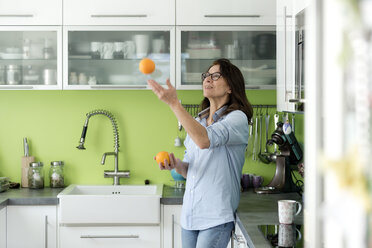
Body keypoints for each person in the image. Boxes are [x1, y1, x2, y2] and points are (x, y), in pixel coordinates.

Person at [147, 58, 253, 248]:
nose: (207, 79)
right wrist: (177, 165)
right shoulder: (199, 121)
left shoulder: (237, 119)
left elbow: (205, 140)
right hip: (191, 215)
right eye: (206, 75)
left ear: (230, 86)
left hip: (216, 216)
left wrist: (174, 104)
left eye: (215, 76)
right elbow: (192, 169)